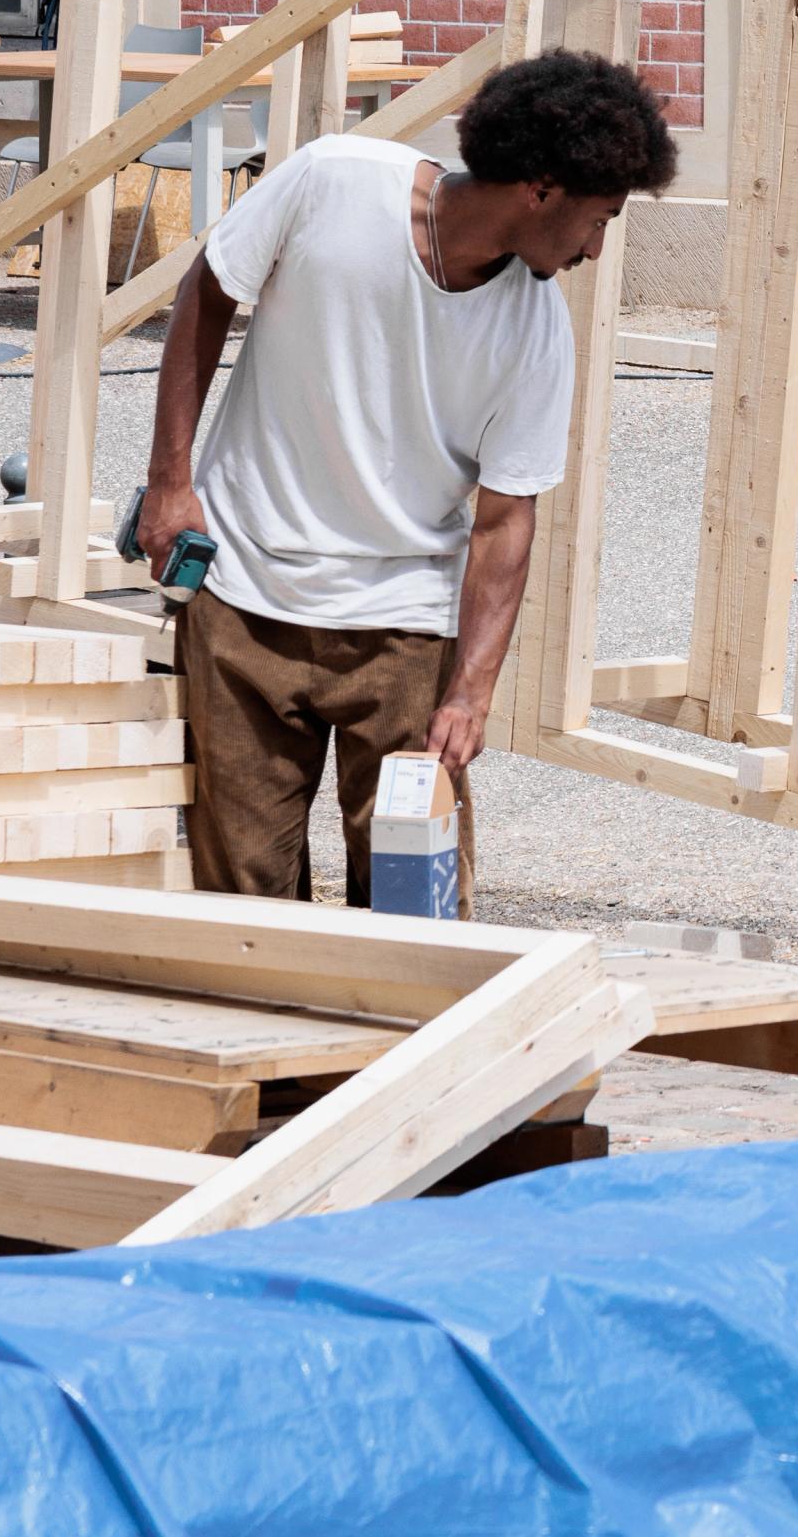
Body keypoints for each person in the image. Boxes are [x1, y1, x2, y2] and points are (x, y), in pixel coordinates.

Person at [134, 47, 678, 907]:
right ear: (540, 188)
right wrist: (170, 482)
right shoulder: (332, 181)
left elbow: (506, 520)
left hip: (403, 639)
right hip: (241, 604)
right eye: (599, 219)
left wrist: (470, 692)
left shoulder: (534, 335)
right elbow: (210, 289)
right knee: (240, 909)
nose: (597, 249)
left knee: (410, 910)